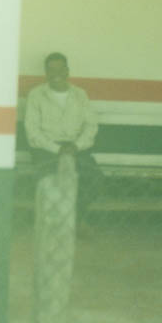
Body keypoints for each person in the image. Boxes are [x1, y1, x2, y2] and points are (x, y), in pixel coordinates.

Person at [24, 52, 101, 223]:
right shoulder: (36, 95)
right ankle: (54, 221)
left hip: (75, 148)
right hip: (46, 149)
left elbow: (91, 125)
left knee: (94, 178)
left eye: (60, 69)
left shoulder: (80, 94)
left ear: (67, 71)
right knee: (47, 180)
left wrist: (76, 146)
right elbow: (32, 130)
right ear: (46, 73)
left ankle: (75, 217)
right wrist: (57, 149)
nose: (56, 74)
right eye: (51, 70)